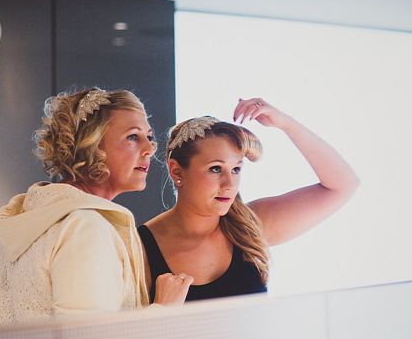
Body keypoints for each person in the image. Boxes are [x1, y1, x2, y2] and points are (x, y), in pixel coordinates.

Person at [0, 87, 192, 325]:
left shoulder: (38, 217)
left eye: (149, 137)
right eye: (133, 136)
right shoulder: (84, 227)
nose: (149, 150)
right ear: (92, 145)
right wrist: (164, 309)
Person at [138, 97, 360, 302]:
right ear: (177, 172)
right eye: (216, 169)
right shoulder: (139, 246)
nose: (229, 184)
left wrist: (286, 124)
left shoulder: (249, 226)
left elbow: (342, 185)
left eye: (236, 169)